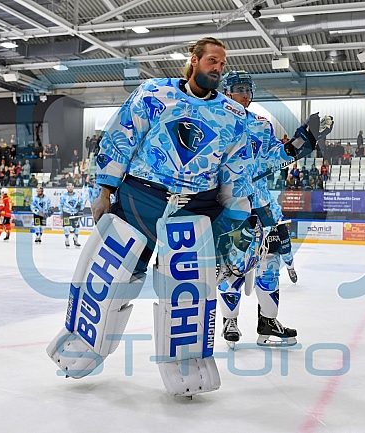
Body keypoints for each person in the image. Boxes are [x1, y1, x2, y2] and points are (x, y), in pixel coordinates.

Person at [47, 37, 268, 397]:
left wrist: (232, 223)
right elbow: (121, 137)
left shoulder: (235, 116)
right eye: (213, 60)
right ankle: (82, 343)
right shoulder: (154, 93)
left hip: (195, 211)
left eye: (223, 64)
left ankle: (187, 365)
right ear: (193, 61)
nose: (219, 68)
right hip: (139, 199)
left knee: (188, 293)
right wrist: (103, 190)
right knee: (108, 276)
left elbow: (236, 174)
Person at [216, 70, 329, 348]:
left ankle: (268, 320)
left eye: (249, 88)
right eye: (240, 88)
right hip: (232, 207)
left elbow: (274, 159)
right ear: (227, 91)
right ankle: (230, 321)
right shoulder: (214, 121)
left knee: (270, 263)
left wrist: (304, 141)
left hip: (264, 204)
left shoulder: (261, 125)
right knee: (233, 267)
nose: (246, 93)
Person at [59, 183, 84, 248]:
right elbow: (61, 205)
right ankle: (67, 239)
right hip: (66, 212)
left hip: (75, 213)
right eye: (69, 187)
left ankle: (76, 240)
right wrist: (61, 213)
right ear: (67, 188)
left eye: (71, 187)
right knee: (66, 227)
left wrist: (81, 210)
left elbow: (82, 203)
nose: (70, 188)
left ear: (73, 188)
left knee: (76, 227)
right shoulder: (63, 196)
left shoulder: (78, 195)